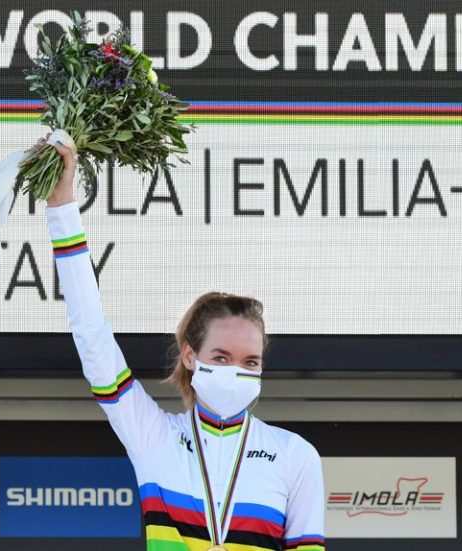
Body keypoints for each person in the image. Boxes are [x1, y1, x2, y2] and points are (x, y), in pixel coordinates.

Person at [42, 134, 325, 551]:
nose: (236, 371)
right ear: (191, 356)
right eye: (221, 357)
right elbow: (91, 334)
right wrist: (61, 207)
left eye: (250, 362)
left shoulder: (294, 456)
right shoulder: (155, 437)